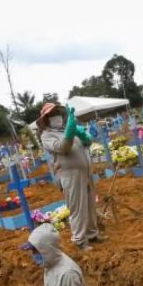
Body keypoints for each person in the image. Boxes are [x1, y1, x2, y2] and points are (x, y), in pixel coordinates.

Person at [36, 103, 103, 250]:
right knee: (77, 207)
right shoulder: (47, 135)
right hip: (70, 175)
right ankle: (79, 239)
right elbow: (63, 147)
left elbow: (86, 144)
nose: (56, 117)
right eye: (52, 115)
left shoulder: (66, 129)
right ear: (46, 119)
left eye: (58, 113)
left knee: (90, 204)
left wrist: (84, 137)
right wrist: (70, 132)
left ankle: (92, 234)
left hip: (85, 172)